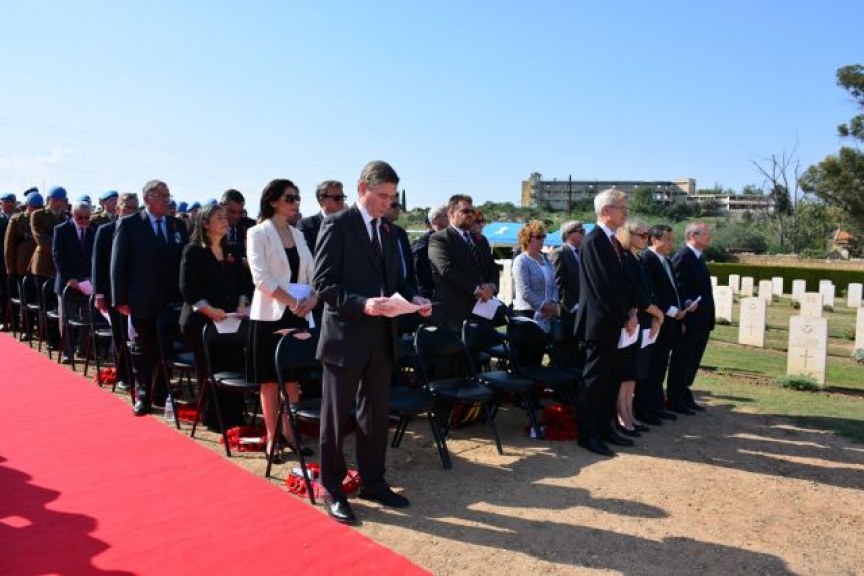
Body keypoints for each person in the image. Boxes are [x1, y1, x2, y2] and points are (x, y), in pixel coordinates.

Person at [313, 160, 431, 525]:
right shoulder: (337, 224)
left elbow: (397, 281)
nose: (387, 203)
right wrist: (362, 303)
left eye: (392, 197)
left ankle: (373, 482)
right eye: (382, 196)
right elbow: (323, 283)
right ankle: (332, 488)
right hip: (345, 337)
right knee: (336, 420)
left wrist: (415, 299)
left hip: (382, 337)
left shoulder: (390, 232)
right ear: (362, 188)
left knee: (376, 416)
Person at [246, 179, 318, 460]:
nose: (295, 202)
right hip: (269, 315)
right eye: (290, 198)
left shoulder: (299, 234)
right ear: (273, 201)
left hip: (299, 312)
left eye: (297, 198)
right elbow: (261, 279)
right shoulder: (257, 233)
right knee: (269, 381)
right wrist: (293, 302)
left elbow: (311, 274)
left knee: (292, 380)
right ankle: (271, 436)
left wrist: (312, 298)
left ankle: (290, 433)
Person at [111, 180, 189, 416]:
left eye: (167, 195)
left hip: (170, 300)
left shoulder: (177, 225)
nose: (166, 200)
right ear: (147, 199)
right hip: (141, 299)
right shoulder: (130, 224)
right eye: (161, 196)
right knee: (143, 350)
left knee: (165, 349)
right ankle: (143, 396)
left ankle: (163, 392)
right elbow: (118, 264)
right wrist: (119, 299)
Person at [574, 189, 636, 457]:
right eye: (622, 207)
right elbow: (603, 287)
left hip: (617, 322)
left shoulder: (613, 242)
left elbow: (622, 283)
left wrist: (631, 313)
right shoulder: (594, 241)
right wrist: (624, 317)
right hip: (600, 323)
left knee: (612, 379)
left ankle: (605, 427)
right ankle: (588, 434)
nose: (626, 212)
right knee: (595, 380)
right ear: (606, 210)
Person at [180, 204, 253, 430]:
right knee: (210, 367)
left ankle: (235, 416)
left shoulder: (232, 249)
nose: (225, 221)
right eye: (219, 218)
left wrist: (242, 303)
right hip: (201, 321)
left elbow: (243, 282)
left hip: (230, 320)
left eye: (225, 217)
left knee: (233, 364)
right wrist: (210, 310)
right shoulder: (193, 251)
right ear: (205, 224)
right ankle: (214, 418)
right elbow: (187, 288)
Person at [615, 220, 664, 437]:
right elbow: (637, 295)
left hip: (643, 319)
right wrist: (658, 314)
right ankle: (622, 415)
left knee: (633, 372)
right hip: (631, 319)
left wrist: (654, 316)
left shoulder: (640, 259)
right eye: (641, 234)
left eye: (647, 234)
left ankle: (630, 412)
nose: (646, 238)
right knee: (625, 371)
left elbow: (649, 291)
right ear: (628, 234)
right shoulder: (625, 258)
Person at [637, 224, 686, 425]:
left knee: (660, 365)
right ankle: (645, 409)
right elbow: (651, 292)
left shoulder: (667, 261)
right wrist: (671, 311)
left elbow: (672, 289)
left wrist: (681, 309)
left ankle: (657, 406)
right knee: (650, 366)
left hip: (670, 321)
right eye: (667, 240)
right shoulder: (647, 260)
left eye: (671, 240)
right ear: (654, 239)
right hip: (655, 320)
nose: (670, 244)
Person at [428, 194, 498, 332]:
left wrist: (492, 286)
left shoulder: (480, 240)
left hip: (481, 313)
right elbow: (446, 270)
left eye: (472, 211)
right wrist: (477, 290)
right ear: (451, 213)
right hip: (452, 316)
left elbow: (492, 266)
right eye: (465, 211)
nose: (470, 215)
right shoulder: (439, 239)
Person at [92, 192, 139, 388]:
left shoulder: (141, 230)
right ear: (117, 208)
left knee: (138, 337)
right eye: (127, 207)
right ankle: (123, 376)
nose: (130, 211)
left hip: (138, 293)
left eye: (134, 208)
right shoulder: (106, 230)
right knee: (120, 336)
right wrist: (99, 294)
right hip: (114, 294)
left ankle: (140, 375)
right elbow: (98, 264)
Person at [668, 222, 716, 414]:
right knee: (682, 361)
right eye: (705, 234)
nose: (709, 237)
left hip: (702, 321)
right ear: (693, 236)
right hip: (689, 320)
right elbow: (676, 287)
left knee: (692, 361)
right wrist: (685, 308)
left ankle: (684, 394)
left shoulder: (698, 257)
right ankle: (674, 399)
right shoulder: (683, 256)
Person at [52, 200, 96, 363]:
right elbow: (58, 256)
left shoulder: (95, 229)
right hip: (67, 283)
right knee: (66, 320)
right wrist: (69, 278)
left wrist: (91, 277)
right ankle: (67, 353)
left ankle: (83, 349)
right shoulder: (61, 230)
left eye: (87, 217)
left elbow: (97, 256)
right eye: (80, 217)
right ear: (72, 215)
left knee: (87, 319)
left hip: (87, 283)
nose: (84, 220)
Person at [512, 220, 558, 331]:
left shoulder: (546, 260)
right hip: (527, 315)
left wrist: (552, 303)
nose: (542, 240)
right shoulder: (521, 260)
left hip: (546, 316)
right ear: (527, 239)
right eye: (538, 237)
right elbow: (525, 291)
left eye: (543, 236)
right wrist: (543, 306)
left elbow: (554, 285)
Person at [3, 192, 39, 335]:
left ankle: (36, 327)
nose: (36, 209)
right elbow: (9, 246)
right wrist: (10, 269)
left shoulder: (43, 218)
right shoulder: (17, 220)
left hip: (38, 266)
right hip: (21, 266)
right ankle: (25, 329)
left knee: (36, 300)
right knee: (24, 299)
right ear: (27, 206)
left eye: (39, 207)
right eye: (33, 206)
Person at [296, 180, 346, 253]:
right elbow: (308, 255)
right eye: (337, 198)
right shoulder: (306, 226)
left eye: (342, 197)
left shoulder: (349, 225)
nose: (341, 201)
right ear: (322, 200)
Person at [550, 220, 584, 322]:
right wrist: (572, 306)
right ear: (568, 234)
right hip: (566, 313)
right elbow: (557, 284)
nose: (584, 234)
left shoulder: (582, 254)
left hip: (581, 310)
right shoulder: (559, 253)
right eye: (580, 231)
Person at [411, 204, 448, 299]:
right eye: (446, 215)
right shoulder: (424, 244)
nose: (450, 219)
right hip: (432, 297)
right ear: (435, 220)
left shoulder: (449, 240)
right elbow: (422, 276)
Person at [384, 200, 418, 292]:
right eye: (394, 205)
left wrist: (413, 291)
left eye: (399, 205)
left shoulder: (401, 232)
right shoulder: (376, 233)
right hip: (388, 292)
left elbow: (409, 263)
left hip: (407, 290)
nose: (398, 208)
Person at [220, 188, 256, 261]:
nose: (236, 216)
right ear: (221, 206)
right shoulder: (212, 226)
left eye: (240, 212)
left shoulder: (250, 226)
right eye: (231, 211)